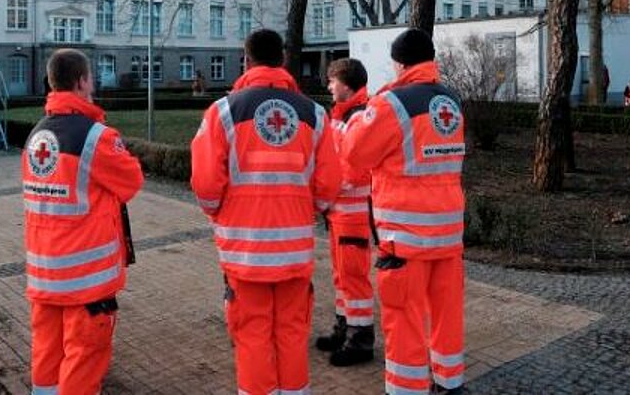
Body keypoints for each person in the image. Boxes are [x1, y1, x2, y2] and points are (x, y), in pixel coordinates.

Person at [191, 29, 341, 395]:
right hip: (294, 250)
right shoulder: (315, 114)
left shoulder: (223, 111)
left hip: (244, 252)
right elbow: (330, 184)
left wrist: (220, 215)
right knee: (292, 333)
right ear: (283, 61)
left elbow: (206, 185)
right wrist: (304, 210)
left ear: (247, 61)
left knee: (252, 335)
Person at [342, 28, 466, 395]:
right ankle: (449, 382)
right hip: (449, 233)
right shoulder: (450, 100)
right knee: (447, 315)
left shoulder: (391, 104)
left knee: (404, 317)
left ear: (399, 63)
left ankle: (407, 389)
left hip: (404, 237)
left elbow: (353, 155)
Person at [22, 48, 144, 394]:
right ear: (81, 82)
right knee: (84, 358)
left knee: (47, 357)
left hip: (45, 274)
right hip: (85, 280)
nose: (94, 83)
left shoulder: (37, 135)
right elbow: (132, 181)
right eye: (91, 77)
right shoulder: (96, 137)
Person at [315, 57, 375, 366]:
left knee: (355, 278)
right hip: (340, 213)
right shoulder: (342, 116)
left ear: (347, 85)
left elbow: (352, 172)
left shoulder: (359, 118)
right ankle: (345, 328)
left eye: (332, 81)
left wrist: (324, 189)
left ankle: (361, 340)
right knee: (342, 277)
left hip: (350, 212)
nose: (328, 86)